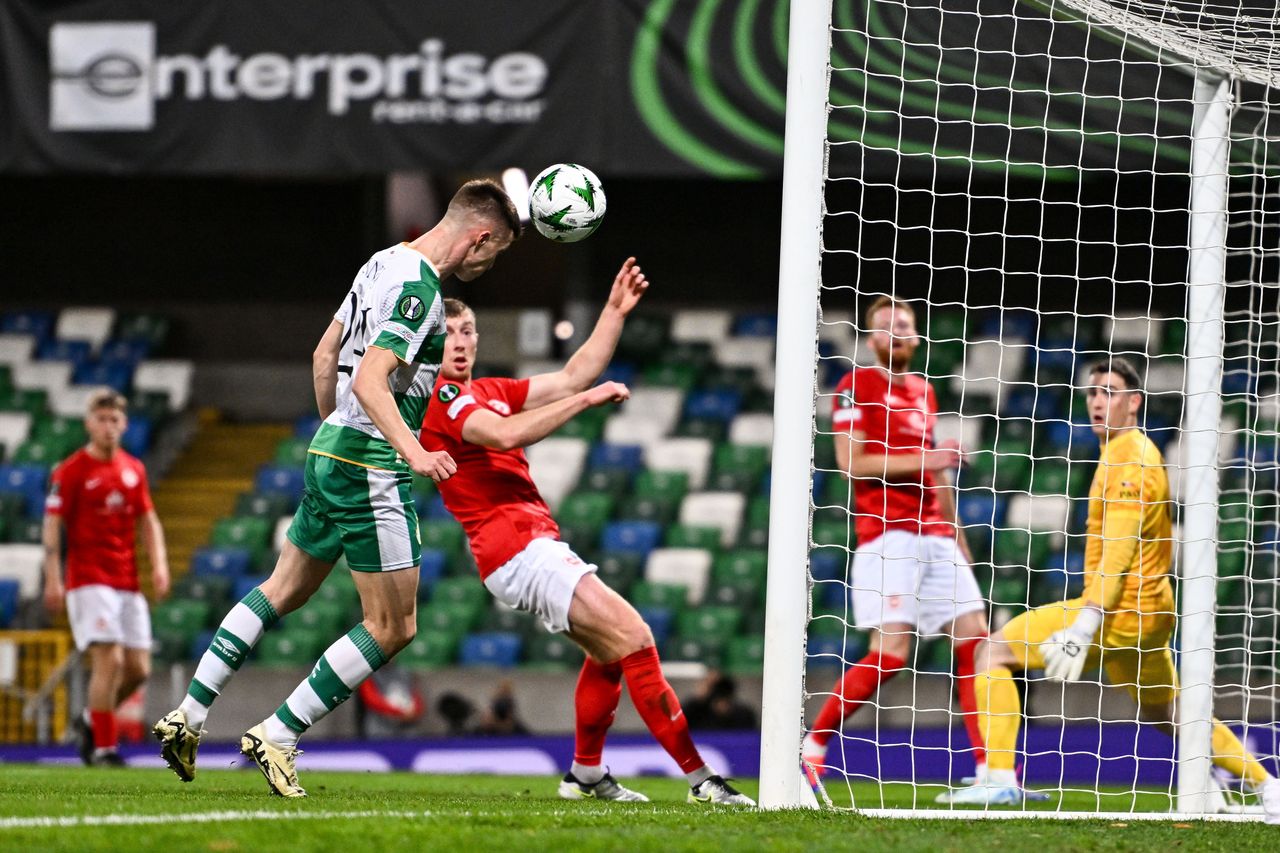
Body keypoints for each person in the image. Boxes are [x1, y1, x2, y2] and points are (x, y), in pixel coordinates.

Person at [154, 179, 521, 797]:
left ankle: (187, 715)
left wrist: (332, 430)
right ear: (479, 236)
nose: (492, 262)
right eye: (499, 250)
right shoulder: (421, 288)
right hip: (373, 461)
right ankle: (278, 732)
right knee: (394, 626)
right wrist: (416, 451)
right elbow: (374, 382)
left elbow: (326, 356)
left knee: (281, 590)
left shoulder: (380, 262)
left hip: (329, 450)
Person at [419, 273, 754, 806]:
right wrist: (587, 402)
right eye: (449, 333)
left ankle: (585, 774)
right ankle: (701, 780)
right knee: (637, 636)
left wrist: (615, 313)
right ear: (429, 342)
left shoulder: (492, 391)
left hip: (529, 544)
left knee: (608, 656)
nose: (460, 341)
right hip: (516, 548)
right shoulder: (442, 397)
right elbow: (507, 434)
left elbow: (574, 372)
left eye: (468, 330)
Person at [940, 357, 1280, 816]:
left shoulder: (1130, 459)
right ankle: (1267, 785)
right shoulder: (1124, 451)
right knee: (1168, 713)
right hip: (1149, 614)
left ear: (1134, 402)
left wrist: (1085, 623)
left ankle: (999, 778)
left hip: (1120, 611)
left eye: (1110, 392)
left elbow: (1119, 549)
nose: (1098, 402)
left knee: (993, 651)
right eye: (1093, 393)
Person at [802, 296, 991, 786]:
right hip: (887, 535)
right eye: (885, 326)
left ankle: (991, 771)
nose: (896, 332)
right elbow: (851, 463)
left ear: (917, 337)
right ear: (872, 340)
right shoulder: (854, 386)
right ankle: (814, 742)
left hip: (937, 534)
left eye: (903, 325)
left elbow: (938, 468)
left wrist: (958, 534)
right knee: (892, 654)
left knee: (976, 642)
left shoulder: (925, 392)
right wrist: (928, 461)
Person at [42, 388, 170, 766]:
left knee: (139, 670)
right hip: (88, 579)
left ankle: (89, 720)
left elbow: (149, 520)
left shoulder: (134, 469)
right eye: (101, 419)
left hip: (127, 580)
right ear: (88, 423)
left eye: (115, 420)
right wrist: (53, 577)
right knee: (109, 660)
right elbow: (52, 525)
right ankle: (104, 748)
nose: (108, 426)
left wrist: (159, 564)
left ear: (125, 424)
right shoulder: (70, 471)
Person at [683, 671, 757, 731]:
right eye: (718, 699)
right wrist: (699, 698)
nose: (722, 704)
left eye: (726, 699)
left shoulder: (743, 715)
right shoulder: (698, 714)